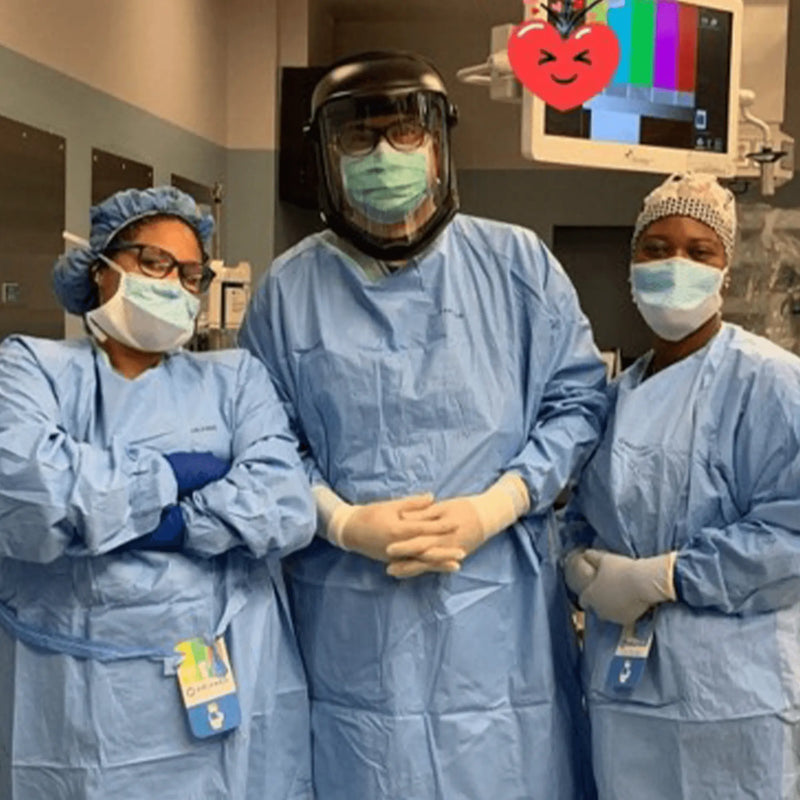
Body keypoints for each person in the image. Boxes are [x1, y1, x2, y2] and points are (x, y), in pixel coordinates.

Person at [239, 50, 607, 799]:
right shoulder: (289, 290)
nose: (384, 156)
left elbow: (578, 404)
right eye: (360, 139)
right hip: (350, 625)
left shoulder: (517, 267)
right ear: (324, 157)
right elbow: (262, 443)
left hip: (497, 616)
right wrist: (342, 523)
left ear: (440, 144)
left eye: (405, 133)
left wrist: (495, 505)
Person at [0, 186, 316, 799]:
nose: (173, 284)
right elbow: (30, 492)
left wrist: (141, 520)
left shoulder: (234, 378)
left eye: (191, 273)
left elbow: (284, 504)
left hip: (218, 686)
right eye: (153, 263)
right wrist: (175, 475)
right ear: (100, 270)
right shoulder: (32, 368)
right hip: (72, 702)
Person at [563, 172, 800, 800]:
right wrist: (579, 569)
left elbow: (792, 531)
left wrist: (667, 577)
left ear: (726, 271)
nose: (675, 265)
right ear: (631, 263)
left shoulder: (770, 383)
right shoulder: (613, 397)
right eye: (656, 249)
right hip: (625, 693)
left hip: (734, 697)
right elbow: (580, 518)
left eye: (699, 253)